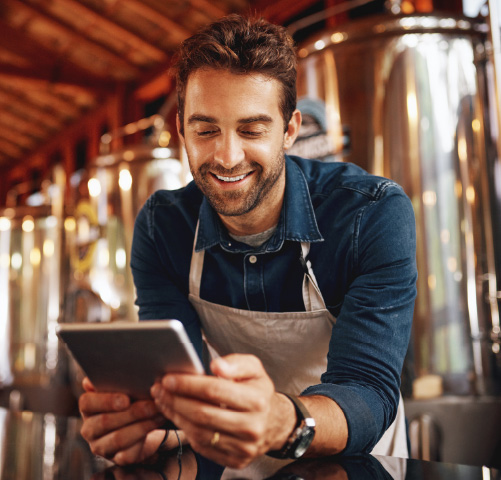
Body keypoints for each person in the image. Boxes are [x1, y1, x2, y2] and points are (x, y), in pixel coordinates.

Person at [78, 14, 417, 471]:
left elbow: (367, 388)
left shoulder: (370, 215)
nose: (227, 156)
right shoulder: (164, 228)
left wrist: (284, 421)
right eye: (205, 130)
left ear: (290, 130)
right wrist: (146, 427)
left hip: (357, 461)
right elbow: (182, 380)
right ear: (181, 132)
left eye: (252, 130)